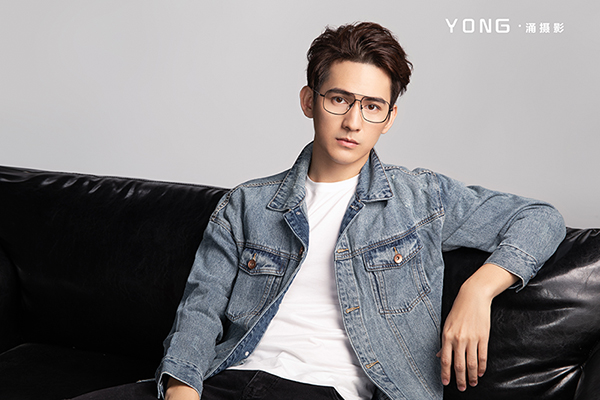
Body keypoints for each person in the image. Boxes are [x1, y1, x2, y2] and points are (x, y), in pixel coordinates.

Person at [73, 22, 565, 400]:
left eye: (372, 106)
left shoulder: (421, 198)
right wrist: (183, 389)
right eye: (339, 99)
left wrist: (478, 290)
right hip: (226, 380)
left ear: (389, 118)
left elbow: (541, 218)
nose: (353, 121)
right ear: (309, 101)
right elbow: (199, 312)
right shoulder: (246, 205)